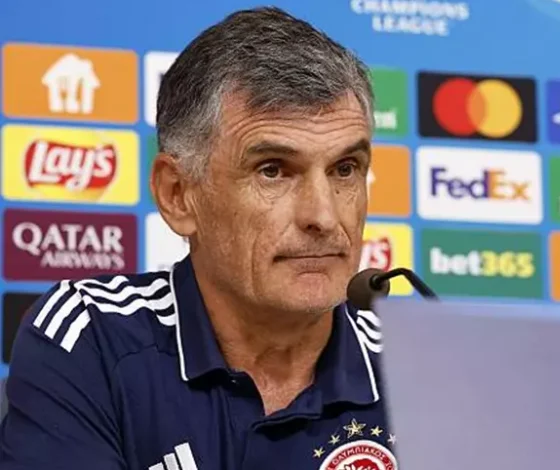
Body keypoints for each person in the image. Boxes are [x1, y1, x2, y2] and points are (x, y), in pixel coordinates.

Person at [0, 7, 396, 469]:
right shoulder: (91, 338)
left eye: (345, 169)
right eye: (273, 171)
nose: (324, 217)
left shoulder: (421, 371)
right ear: (178, 195)